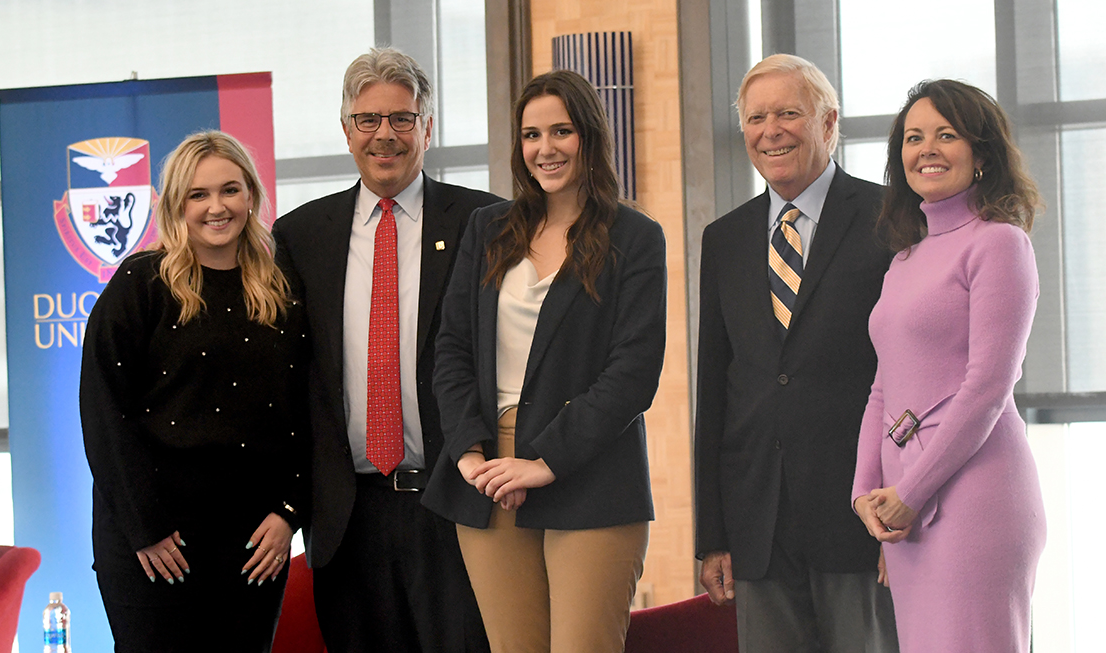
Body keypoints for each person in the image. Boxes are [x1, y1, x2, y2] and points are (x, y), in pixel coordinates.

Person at [421, 69, 667, 653]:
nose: (545, 148)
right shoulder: (488, 228)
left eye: (561, 131)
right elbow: (451, 349)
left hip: (591, 473)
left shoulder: (634, 236)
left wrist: (545, 460)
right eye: (531, 134)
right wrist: (470, 453)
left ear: (589, 136)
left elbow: (632, 374)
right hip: (486, 474)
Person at [272, 47, 499, 652]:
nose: (385, 135)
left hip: (457, 506)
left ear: (428, 126)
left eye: (402, 118)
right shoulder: (298, 236)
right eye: (368, 120)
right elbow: (290, 382)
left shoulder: (487, 221)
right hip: (349, 517)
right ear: (346, 131)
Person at [693, 54, 899, 651]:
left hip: (860, 516)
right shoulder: (724, 238)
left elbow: (910, 373)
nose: (770, 130)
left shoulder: (890, 218)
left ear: (829, 122)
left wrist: (908, 502)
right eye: (756, 118)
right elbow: (716, 385)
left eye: (789, 113)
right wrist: (713, 534)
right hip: (757, 522)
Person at [81, 130, 308, 652]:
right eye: (198, 195)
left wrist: (290, 513)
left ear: (251, 194)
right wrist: (145, 527)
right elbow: (103, 413)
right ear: (175, 205)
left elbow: (307, 411)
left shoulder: (281, 292)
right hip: (154, 543)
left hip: (254, 543)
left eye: (230, 190)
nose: (217, 207)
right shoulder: (140, 284)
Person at [851, 79, 1046, 652]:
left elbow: (987, 385)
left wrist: (911, 491)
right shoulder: (905, 259)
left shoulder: (1000, 243)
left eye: (946, 134)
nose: (926, 148)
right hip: (903, 513)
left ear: (981, 154)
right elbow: (883, 388)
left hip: (976, 501)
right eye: (914, 137)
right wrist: (865, 492)